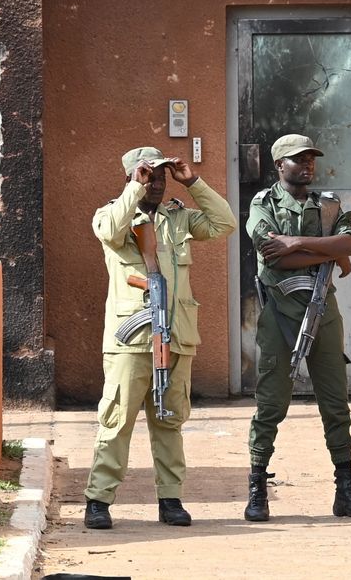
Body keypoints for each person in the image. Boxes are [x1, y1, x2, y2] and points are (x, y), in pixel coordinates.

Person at [83, 145, 237, 530]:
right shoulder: (115, 214)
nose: (156, 183)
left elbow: (224, 223)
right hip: (132, 340)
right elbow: (109, 231)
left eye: (161, 176)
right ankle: (98, 501)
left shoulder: (178, 217)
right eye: (149, 175)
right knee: (117, 420)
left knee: (169, 421)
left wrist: (194, 181)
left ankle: (170, 499)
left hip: (176, 334)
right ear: (132, 176)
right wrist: (134, 190)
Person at [243, 133, 351, 522]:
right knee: (271, 403)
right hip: (280, 313)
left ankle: (346, 490)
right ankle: (257, 488)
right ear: (279, 166)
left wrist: (297, 242)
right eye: (298, 159)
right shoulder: (262, 203)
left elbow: (350, 243)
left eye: (311, 158)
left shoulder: (328, 204)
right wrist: (325, 252)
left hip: (323, 310)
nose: (308, 165)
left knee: (336, 403)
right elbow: (272, 258)